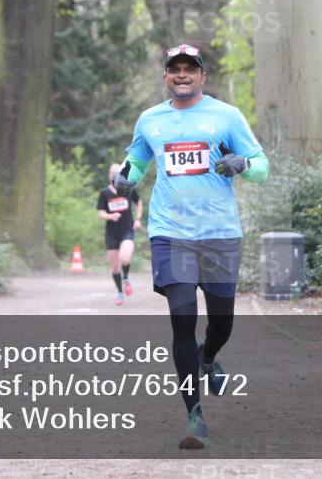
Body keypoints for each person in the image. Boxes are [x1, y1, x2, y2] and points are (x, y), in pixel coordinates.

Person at [114, 43, 269, 450]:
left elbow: (262, 167)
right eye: (174, 69)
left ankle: (208, 356)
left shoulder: (226, 116)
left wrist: (243, 165)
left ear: (203, 76)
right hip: (171, 233)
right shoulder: (150, 120)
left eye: (190, 68)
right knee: (181, 321)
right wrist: (124, 179)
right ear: (166, 76)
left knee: (222, 324)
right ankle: (194, 416)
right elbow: (136, 163)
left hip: (219, 233)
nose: (182, 74)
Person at [97, 162, 143, 305]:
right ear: (109, 175)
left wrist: (138, 219)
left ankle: (126, 278)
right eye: (112, 173)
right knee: (115, 266)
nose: (115, 175)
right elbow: (100, 213)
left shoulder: (128, 188)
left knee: (124, 258)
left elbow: (139, 202)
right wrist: (111, 216)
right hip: (111, 233)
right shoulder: (105, 193)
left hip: (127, 230)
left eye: (118, 173)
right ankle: (120, 293)